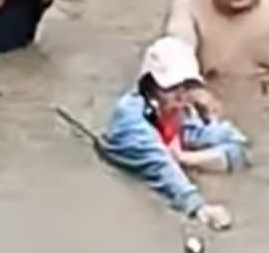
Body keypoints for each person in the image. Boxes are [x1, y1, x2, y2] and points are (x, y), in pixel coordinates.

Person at [100, 36, 242, 228]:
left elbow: (239, 146)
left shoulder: (180, 114)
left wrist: (187, 158)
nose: (181, 96)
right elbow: (160, 167)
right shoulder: (130, 121)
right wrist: (198, 207)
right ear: (150, 86)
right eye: (172, 88)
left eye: (186, 87)